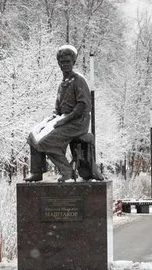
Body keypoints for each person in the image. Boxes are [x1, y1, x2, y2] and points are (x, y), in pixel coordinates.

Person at [25, 45, 92, 182]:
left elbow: (82, 106)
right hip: (65, 119)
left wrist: (64, 120)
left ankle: (66, 171)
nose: (65, 65)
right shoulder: (62, 84)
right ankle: (37, 171)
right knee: (33, 135)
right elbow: (58, 108)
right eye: (62, 62)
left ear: (73, 62)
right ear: (59, 64)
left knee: (47, 141)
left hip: (78, 122)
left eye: (67, 61)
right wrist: (52, 118)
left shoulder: (79, 80)